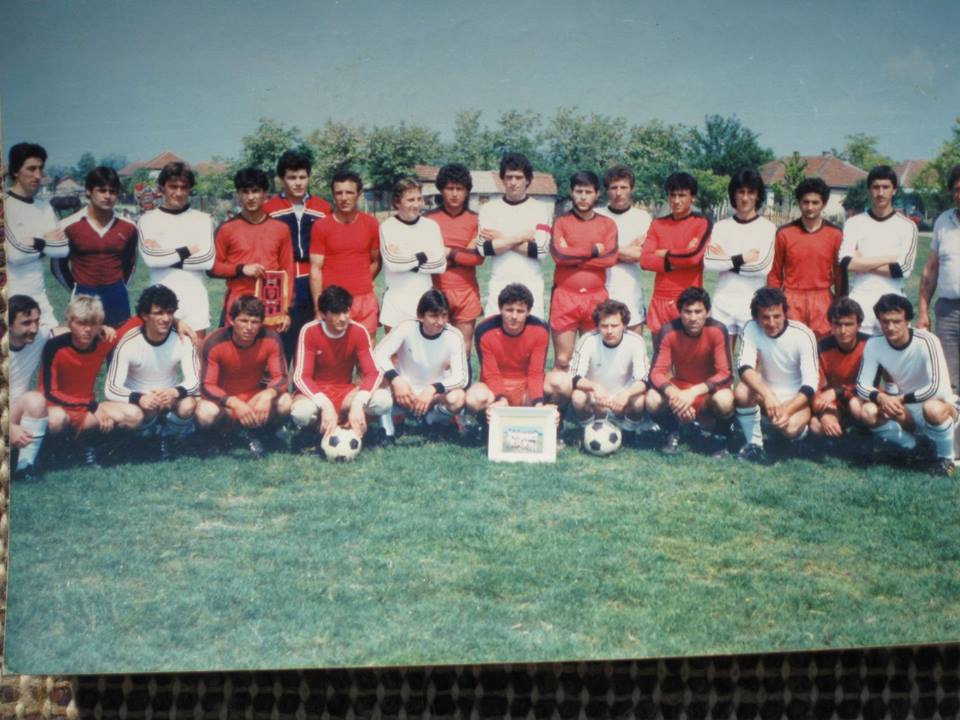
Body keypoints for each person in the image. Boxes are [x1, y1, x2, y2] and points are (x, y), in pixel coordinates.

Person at [856, 294, 957, 476]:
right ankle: (915, 447)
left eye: (896, 321)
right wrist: (881, 397)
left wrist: (900, 399)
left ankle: (946, 459)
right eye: (885, 321)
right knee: (868, 412)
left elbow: (937, 388)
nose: (890, 327)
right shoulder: (874, 344)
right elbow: (862, 385)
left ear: (907, 320)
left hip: (941, 405)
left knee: (932, 408)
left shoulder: (926, 340)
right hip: (908, 409)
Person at [38, 295, 141, 466]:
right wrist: (92, 406)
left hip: (87, 407)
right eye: (81, 323)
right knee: (57, 419)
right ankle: (56, 450)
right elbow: (50, 393)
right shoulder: (54, 346)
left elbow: (137, 321)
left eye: (93, 323)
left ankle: (99, 447)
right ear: (69, 322)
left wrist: (176, 322)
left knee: (134, 415)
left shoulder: (103, 340)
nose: (88, 329)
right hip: (57, 407)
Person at [104, 285, 201, 458]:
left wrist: (174, 392)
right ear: (144, 316)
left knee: (188, 405)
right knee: (136, 414)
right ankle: (142, 439)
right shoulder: (129, 342)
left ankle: (168, 437)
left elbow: (195, 380)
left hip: (169, 397)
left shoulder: (182, 340)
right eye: (159, 313)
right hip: (140, 402)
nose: (166, 318)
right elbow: (111, 388)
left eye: (170, 312)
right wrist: (139, 398)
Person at [290, 284, 391, 443]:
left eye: (346, 311)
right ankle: (315, 430)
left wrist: (358, 403)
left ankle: (345, 423)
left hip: (345, 393)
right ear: (323, 314)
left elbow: (373, 373)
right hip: (317, 392)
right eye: (336, 313)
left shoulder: (358, 331)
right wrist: (325, 404)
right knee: (302, 413)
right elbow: (301, 377)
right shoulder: (309, 331)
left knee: (383, 400)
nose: (343, 318)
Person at [195, 295, 292, 456]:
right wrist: (234, 403)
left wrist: (268, 394)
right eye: (243, 321)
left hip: (253, 400)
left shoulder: (271, 338)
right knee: (205, 412)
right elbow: (206, 386)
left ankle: (265, 434)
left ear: (261, 323)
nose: (249, 327)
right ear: (232, 320)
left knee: (285, 400)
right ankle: (214, 439)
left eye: (255, 322)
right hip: (225, 403)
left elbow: (281, 377)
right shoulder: (215, 341)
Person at [646, 287, 735, 456]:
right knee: (652, 399)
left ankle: (720, 436)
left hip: (706, 391)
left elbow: (726, 374)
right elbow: (655, 373)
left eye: (698, 311)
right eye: (687, 312)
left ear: (707, 312)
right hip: (680, 388)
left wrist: (692, 393)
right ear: (680, 312)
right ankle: (672, 430)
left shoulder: (717, 330)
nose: (693, 318)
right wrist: (676, 394)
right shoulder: (669, 331)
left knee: (725, 400)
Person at [734, 288, 819, 461]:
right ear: (756, 317)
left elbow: (811, 383)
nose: (772, 323)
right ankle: (754, 444)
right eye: (765, 317)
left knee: (790, 429)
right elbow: (744, 367)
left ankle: (801, 435)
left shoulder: (803, 334)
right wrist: (768, 395)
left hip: (796, 397)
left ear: (785, 313)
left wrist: (787, 410)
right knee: (742, 391)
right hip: (767, 394)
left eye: (777, 316)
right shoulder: (751, 327)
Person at [263, 150, 333, 358]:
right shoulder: (269, 209)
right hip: (279, 279)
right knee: (278, 342)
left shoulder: (322, 207)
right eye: (292, 177)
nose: (298, 183)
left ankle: (304, 378)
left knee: (310, 341)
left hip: (312, 277)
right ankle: (280, 378)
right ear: (282, 179)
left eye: (302, 177)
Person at [548, 171, 618, 371]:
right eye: (579, 191)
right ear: (572, 192)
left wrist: (573, 255)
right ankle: (562, 392)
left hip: (596, 298)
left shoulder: (607, 224)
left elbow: (610, 258)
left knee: (596, 361)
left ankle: (589, 393)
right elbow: (559, 256)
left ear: (597, 194)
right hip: (565, 297)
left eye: (588, 192)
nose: (583, 197)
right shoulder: (561, 222)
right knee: (563, 360)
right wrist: (594, 251)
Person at [545, 299, 648, 436]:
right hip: (597, 397)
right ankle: (587, 431)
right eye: (604, 326)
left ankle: (629, 432)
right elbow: (574, 376)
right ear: (597, 325)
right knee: (578, 397)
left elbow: (644, 379)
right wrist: (595, 387)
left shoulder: (636, 341)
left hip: (623, 397)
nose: (609, 331)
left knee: (639, 401)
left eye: (614, 326)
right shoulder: (588, 340)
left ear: (624, 325)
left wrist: (625, 395)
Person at [373, 289, 468, 437]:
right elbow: (378, 354)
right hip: (404, 393)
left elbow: (462, 378)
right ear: (421, 316)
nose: (440, 322)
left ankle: (432, 420)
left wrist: (432, 389)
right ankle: (388, 429)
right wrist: (396, 379)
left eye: (444, 315)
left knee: (458, 397)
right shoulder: (406, 327)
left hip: (433, 397)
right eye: (434, 316)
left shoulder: (454, 336)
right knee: (379, 380)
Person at [210, 168, 294, 329]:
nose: (250, 197)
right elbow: (212, 267)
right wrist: (241, 269)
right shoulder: (227, 229)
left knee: (268, 346)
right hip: (238, 303)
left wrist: (286, 310)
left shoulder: (281, 229)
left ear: (265, 194)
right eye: (245, 192)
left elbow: (288, 271)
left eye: (255, 191)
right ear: (238, 195)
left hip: (271, 304)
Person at [138, 161, 216, 335]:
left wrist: (164, 254)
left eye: (184, 187)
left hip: (194, 299)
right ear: (162, 188)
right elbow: (151, 259)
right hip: (159, 302)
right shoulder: (147, 220)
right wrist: (188, 250)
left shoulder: (203, 220)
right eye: (173, 186)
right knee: (160, 353)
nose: (179, 193)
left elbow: (207, 260)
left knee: (196, 352)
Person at [55, 166, 138, 327]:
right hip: (83, 296)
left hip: (116, 297)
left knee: (118, 340)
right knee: (85, 341)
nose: (107, 196)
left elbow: (131, 263)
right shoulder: (68, 226)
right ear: (88, 191)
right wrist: (75, 288)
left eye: (112, 191)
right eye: (101, 190)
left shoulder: (128, 227)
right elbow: (58, 266)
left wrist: (120, 286)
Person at [839, 165, 918, 335]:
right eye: (876, 187)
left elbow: (902, 270)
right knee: (860, 352)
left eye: (885, 187)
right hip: (860, 301)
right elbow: (845, 263)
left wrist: (860, 261)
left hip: (893, 304)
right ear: (869, 189)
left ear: (894, 190)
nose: (880, 193)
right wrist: (888, 258)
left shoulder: (907, 226)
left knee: (893, 351)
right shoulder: (853, 223)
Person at [703, 168, 775, 350]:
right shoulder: (720, 227)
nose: (745, 198)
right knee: (720, 360)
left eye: (751, 192)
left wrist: (725, 260)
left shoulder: (768, 228)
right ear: (733, 195)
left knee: (750, 361)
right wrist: (742, 258)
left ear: (758, 196)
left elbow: (762, 267)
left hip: (751, 304)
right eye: (741, 192)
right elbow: (709, 263)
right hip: (722, 302)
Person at [766, 177, 843, 339]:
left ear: (824, 203)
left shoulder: (835, 234)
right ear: (799, 203)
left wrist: (840, 303)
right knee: (791, 346)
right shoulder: (784, 233)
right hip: (792, 299)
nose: (810, 207)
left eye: (815, 203)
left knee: (821, 348)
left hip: (822, 300)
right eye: (805, 202)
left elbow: (839, 275)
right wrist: (774, 304)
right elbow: (775, 273)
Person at [477, 153, 552, 318]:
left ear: (528, 180)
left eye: (518, 177)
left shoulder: (540, 209)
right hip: (499, 285)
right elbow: (483, 249)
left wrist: (500, 239)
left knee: (533, 333)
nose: (513, 182)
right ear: (502, 179)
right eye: (509, 177)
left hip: (532, 285)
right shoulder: (489, 209)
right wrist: (519, 238)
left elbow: (540, 251)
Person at [308, 169, 381, 338]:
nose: (344, 197)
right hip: (333, 302)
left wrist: (361, 281)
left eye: (349, 192)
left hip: (364, 302)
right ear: (333, 195)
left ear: (359, 194)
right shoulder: (321, 226)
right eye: (339, 193)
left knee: (366, 352)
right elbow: (315, 269)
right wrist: (319, 308)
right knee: (335, 354)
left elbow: (376, 261)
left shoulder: (371, 224)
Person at [4, 142, 68, 331]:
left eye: (40, 169)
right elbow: (14, 254)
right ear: (15, 171)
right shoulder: (4, 205)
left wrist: (36, 241)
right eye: (31, 169)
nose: (38, 175)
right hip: (12, 299)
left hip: (40, 297)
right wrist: (47, 243)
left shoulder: (44, 206)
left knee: (55, 341)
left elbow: (63, 249)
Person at [640, 172, 712, 336]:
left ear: (692, 197)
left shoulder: (702, 223)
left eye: (682, 195)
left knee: (687, 352)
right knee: (660, 352)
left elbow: (693, 258)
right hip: (660, 299)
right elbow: (644, 260)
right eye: (672, 195)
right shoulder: (658, 224)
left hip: (689, 301)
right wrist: (680, 256)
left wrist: (663, 253)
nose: (676, 200)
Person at [465, 283, 550, 423]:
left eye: (520, 311)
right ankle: (485, 424)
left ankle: (552, 426)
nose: (514, 316)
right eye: (509, 310)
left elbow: (535, 372)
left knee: (560, 382)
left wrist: (538, 403)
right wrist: (500, 398)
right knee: (473, 398)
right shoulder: (485, 330)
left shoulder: (540, 330)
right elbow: (491, 373)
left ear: (528, 312)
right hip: (495, 385)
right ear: (500, 309)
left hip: (525, 386)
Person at [427, 163, 484, 356]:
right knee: (435, 350)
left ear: (467, 191)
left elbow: (477, 258)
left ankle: (462, 377)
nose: (454, 194)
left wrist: (447, 252)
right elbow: (428, 257)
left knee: (462, 349)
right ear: (441, 189)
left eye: (459, 189)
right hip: (436, 289)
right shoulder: (428, 219)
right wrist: (462, 254)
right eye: (449, 188)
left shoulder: (477, 219)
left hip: (466, 292)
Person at [378, 177, 446, 332]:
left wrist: (406, 258)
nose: (416, 204)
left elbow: (440, 264)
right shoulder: (387, 227)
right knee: (394, 348)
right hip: (396, 301)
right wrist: (423, 256)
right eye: (410, 200)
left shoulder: (431, 226)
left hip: (425, 299)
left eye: (419, 199)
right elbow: (393, 264)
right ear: (397, 202)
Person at [918, 164, 960, 408]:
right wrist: (923, 311)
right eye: (956, 189)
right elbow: (931, 269)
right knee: (949, 382)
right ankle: (953, 431)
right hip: (948, 312)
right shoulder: (943, 221)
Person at [597, 165, 652, 334]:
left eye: (623, 187)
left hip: (631, 288)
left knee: (634, 342)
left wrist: (606, 250)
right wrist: (627, 250)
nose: (618, 192)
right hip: (601, 288)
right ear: (607, 190)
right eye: (614, 187)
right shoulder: (597, 215)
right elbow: (591, 253)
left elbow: (641, 255)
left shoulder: (642, 218)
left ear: (631, 189)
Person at [809, 297, 869, 439]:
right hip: (833, 401)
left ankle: (866, 435)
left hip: (861, 398)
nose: (843, 330)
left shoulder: (869, 345)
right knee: (816, 426)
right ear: (831, 324)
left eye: (849, 324)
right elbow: (815, 386)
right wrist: (824, 415)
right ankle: (840, 440)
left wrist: (840, 391)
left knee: (856, 407)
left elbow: (870, 385)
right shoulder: (821, 347)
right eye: (837, 324)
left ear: (859, 325)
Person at [9, 295, 50, 480]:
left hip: (15, 412)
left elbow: (68, 330)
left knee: (35, 400)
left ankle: (25, 466)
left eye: (36, 321)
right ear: (9, 325)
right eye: (26, 323)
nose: (34, 329)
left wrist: (100, 327)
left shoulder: (38, 337)